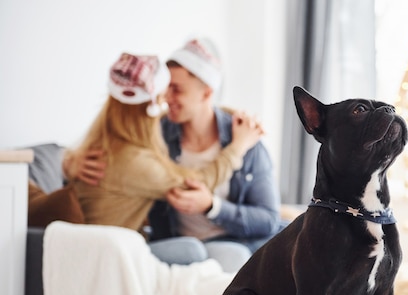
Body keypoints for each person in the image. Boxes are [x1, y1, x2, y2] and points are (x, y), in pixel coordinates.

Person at [70, 52, 263, 257]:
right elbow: (197, 183)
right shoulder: (136, 161)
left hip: (105, 246)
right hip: (111, 255)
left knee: (280, 228)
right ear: (150, 109)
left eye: (176, 90)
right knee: (192, 252)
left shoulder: (102, 142)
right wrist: (237, 147)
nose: (168, 101)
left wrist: (69, 162)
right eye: (164, 96)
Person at [147, 37, 282, 268]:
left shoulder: (246, 140)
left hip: (238, 241)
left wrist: (212, 206)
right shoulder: (156, 135)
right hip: (182, 245)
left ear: (206, 93)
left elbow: (268, 219)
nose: (166, 98)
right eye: (165, 88)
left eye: (176, 89)